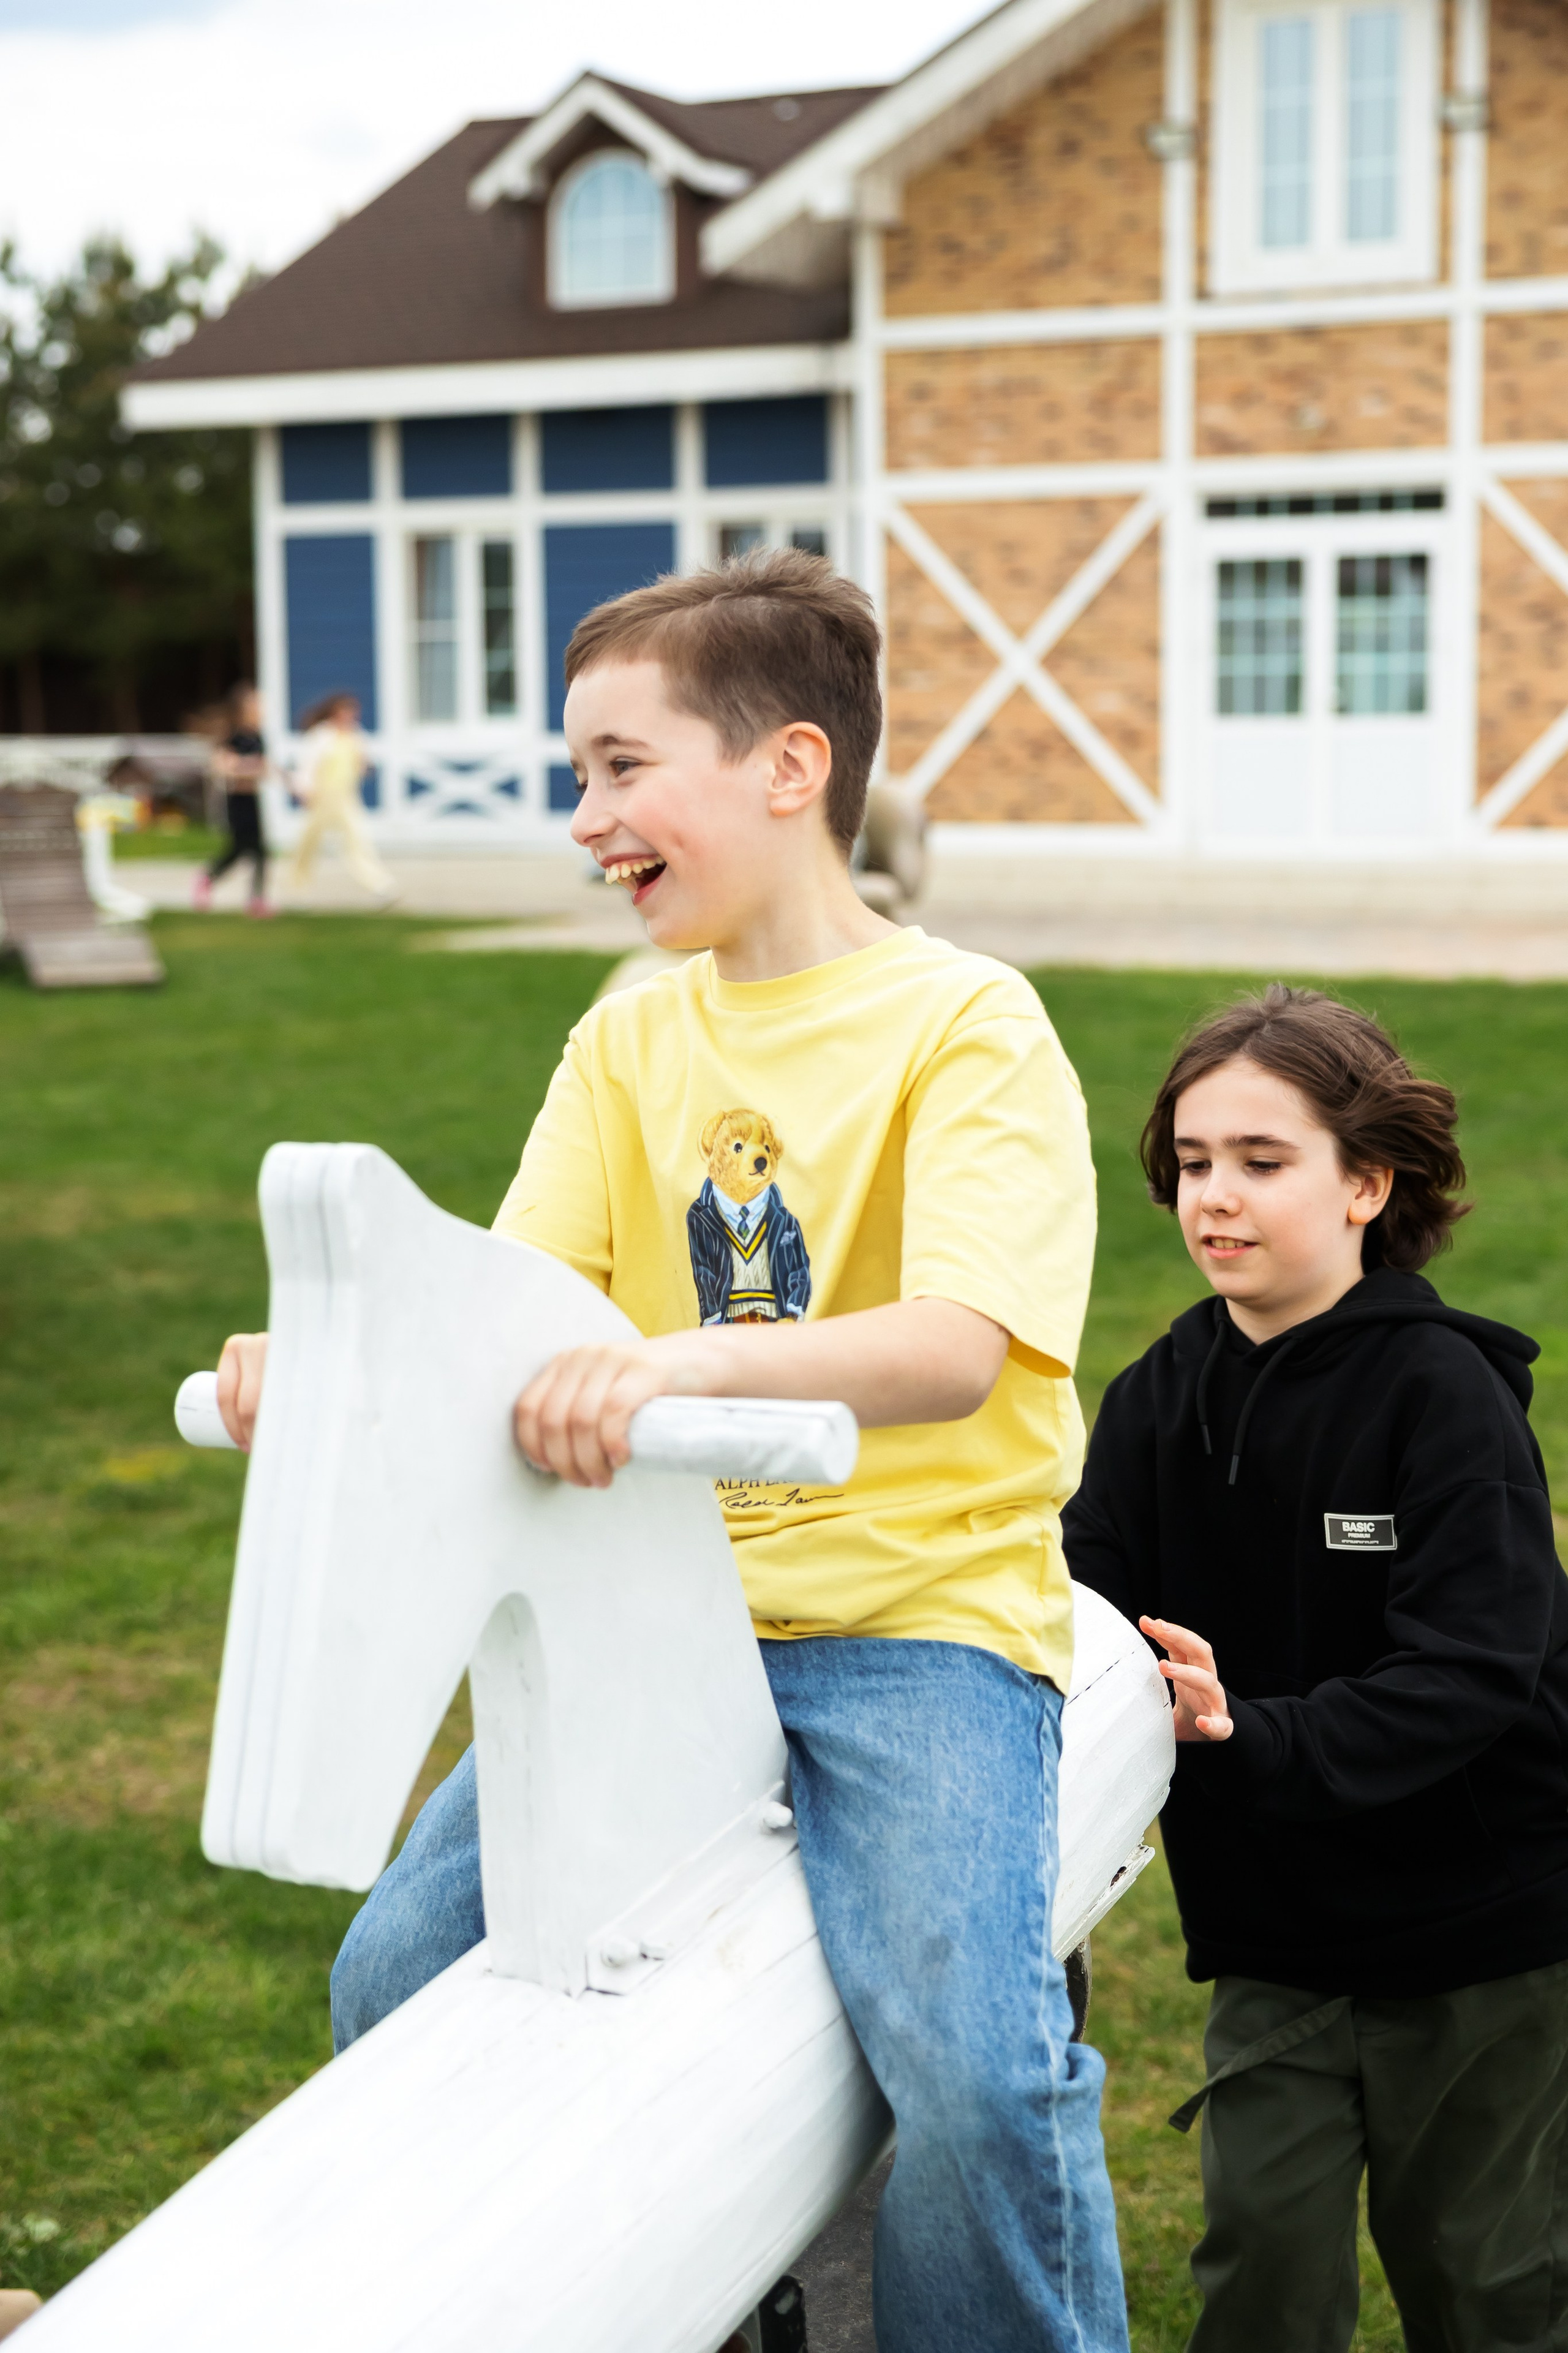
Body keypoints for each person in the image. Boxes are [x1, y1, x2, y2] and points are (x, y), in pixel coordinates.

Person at [215, 548, 1130, 2353]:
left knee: (968, 2060)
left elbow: (953, 1346)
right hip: (669, 1608)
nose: (585, 817)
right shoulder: (630, 1035)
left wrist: (669, 1360)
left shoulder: (967, 1023)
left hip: (915, 1618)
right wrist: (324, 1355)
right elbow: (516, 1307)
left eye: (622, 767)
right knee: (391, 1969)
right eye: (579, 775)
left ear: (788, 768)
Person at [1063, 984, 1568, 2353]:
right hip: (1276, 1940)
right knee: (1263, 2286)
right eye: (1190, 1161)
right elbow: (1072, 1602)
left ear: (1365, 1182)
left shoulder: (1442, 1397)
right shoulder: (1158, 1395)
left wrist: (1257, 1735)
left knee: (1483, 2290)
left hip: (1477, 1942)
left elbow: (1468, 1674)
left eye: (1260, 1162)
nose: (1212, 1196)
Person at [287, 691, 395, 902]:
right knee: (309, 842)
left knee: (356, 840)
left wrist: (364, 765)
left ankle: (379, 884)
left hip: (345, 797)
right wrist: (304, 789)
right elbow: (309, 765)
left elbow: (361, 764)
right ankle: (297, 886)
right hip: (323, 797)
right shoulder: (322, 736)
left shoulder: (355, 735)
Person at [194, 682, 271, 916]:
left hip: (253, 798)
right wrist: (249, 767)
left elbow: (264, 769)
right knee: (238, 849)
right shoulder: (234, 737)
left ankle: (257, 899)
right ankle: (207, 878)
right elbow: (223, 767)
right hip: (237, 799)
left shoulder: (258, 737)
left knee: (260, 852)